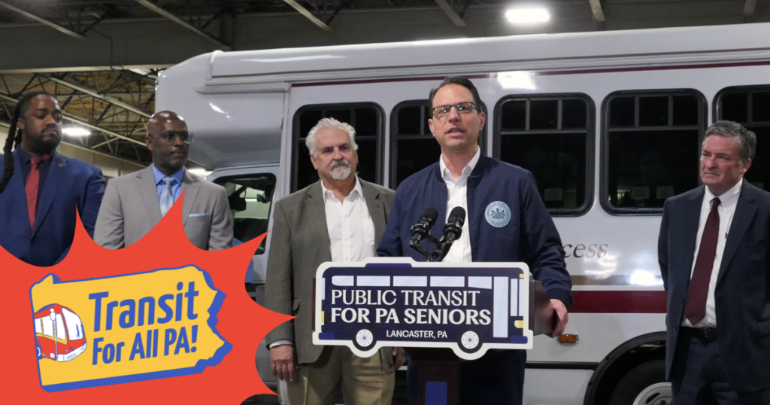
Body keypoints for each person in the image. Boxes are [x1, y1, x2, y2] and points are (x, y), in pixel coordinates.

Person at [377, 76, 572, 404]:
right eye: (443, 111)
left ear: (480, 119)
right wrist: (389, 326)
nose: (453, 116)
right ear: (432, 126)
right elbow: (388, 257)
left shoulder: (516, 182)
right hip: (428, 345)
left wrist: (557, 297)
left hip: (498, 344)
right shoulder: (410, 190)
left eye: (463, 108)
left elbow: (547, 250)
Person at [264, 118, 404, 404]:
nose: (337, 155)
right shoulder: (290, 208)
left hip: (374, 335)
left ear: (355, 153)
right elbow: (278, 278)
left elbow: (402, 271)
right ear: (314, 160)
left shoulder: (389, 200)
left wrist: (401, 334)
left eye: (344, 147)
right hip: (311, 339)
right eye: (328, 151)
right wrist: (280, 340)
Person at [658, 121, 769, 404]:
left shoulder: (766, 210)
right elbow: (669, 270)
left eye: (722, 157)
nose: (710, 163)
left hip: (744, 353)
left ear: (744, 165)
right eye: (706, 154)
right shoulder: (677, 207)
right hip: (687, 351)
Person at [94, 111, 232, 250]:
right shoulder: (120, 189)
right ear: (149, 142)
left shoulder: (213, 194)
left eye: (184, 137)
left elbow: (219, 260)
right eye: (169, 136)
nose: (179, 142)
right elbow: (107, 252)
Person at [0, 91, 105, 266]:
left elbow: (91, 232)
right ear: (21, 123)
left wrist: (57, 274)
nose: (51, 122)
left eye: (58, 117)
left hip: (60, 284)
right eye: (41, 115)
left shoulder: (87, 176)